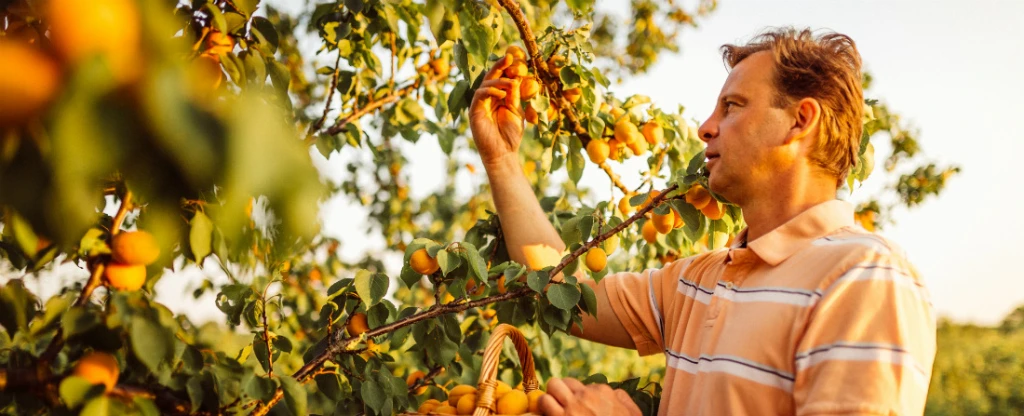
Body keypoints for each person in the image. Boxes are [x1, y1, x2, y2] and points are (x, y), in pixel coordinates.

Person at [468, 27, 936, 415]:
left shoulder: (864, 279)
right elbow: (561, 288)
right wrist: (503, 160)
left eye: (732, 106)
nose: (704, 127)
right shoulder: (699, 281)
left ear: (800, 120)